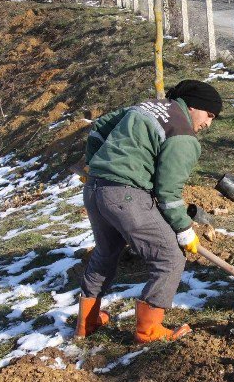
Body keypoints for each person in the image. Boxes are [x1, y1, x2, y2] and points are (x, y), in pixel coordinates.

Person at [74, 79, 222, 343]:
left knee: (106, 252)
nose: (208, 124)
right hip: (125, 196)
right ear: (193, 106)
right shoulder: (183, 135)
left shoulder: (148, 107)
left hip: (95, 190)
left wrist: (97, 164)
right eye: (209, 115)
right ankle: (148, 331)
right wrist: (184, 229)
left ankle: (87, 323)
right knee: (170, 259)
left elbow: (99, 128)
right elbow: (168, 193)